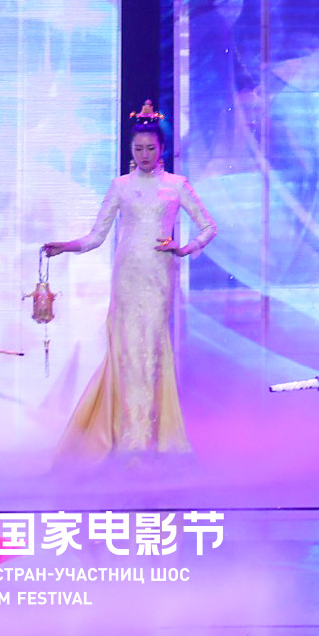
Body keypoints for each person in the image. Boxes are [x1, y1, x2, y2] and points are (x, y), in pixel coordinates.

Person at [41, 101, 219, 458]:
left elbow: (208, 226)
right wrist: (66, 246)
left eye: (150, 148)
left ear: (161, 148)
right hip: (127, 279)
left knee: (150, 351)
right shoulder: (120, 186)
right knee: (127, 353)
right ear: (130, 150)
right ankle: (128, 438)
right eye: (138, 149)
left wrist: (184, 248)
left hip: (158, 278)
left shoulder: (177, 185)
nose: (144, 155)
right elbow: (97, 236)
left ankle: (147, 439)